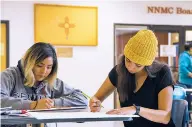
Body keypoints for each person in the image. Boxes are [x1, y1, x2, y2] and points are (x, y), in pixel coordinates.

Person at [89, 30, 175, 127]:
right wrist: (94, 103)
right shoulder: (118, 71)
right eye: (128, 60)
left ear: (147, 64)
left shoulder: (162, 73)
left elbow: (165, 117)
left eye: (138, 65)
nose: (131, 67)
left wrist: (136, 109)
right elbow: (96, 98)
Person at [0, 42, 88, 110]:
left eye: (49, 67)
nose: (44, 71)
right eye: (39, 65)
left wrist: (53, 103)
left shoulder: (52, 82)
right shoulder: (10, 76)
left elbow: (82, 99)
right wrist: (33, 105)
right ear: (29, 63)